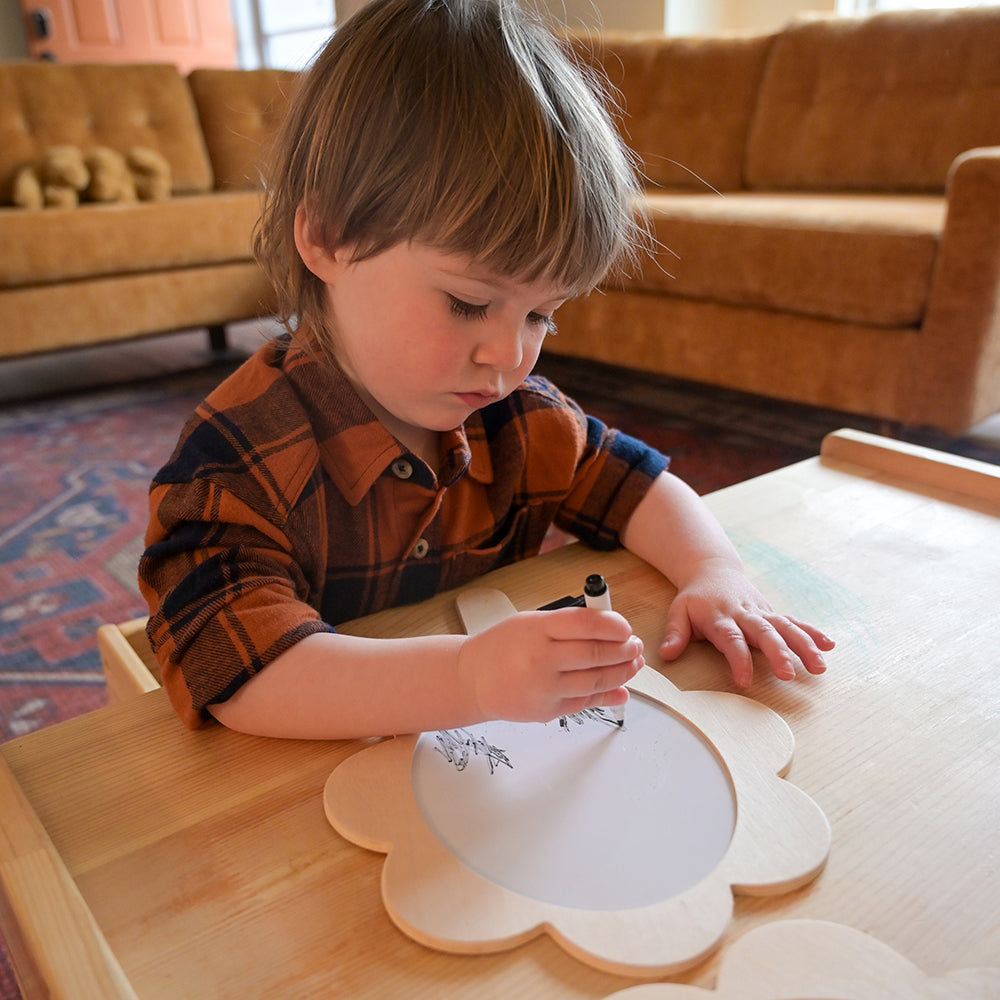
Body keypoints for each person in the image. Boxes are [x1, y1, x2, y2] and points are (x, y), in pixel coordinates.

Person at [139, 0, 833, 740]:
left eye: (541, 314)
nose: (510, 356)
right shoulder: (233, 462)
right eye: (470, 303)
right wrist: (467, 678)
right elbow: (241, 675)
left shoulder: (519, 417)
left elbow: (639, 485)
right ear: (328, 239)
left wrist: (714, 571)